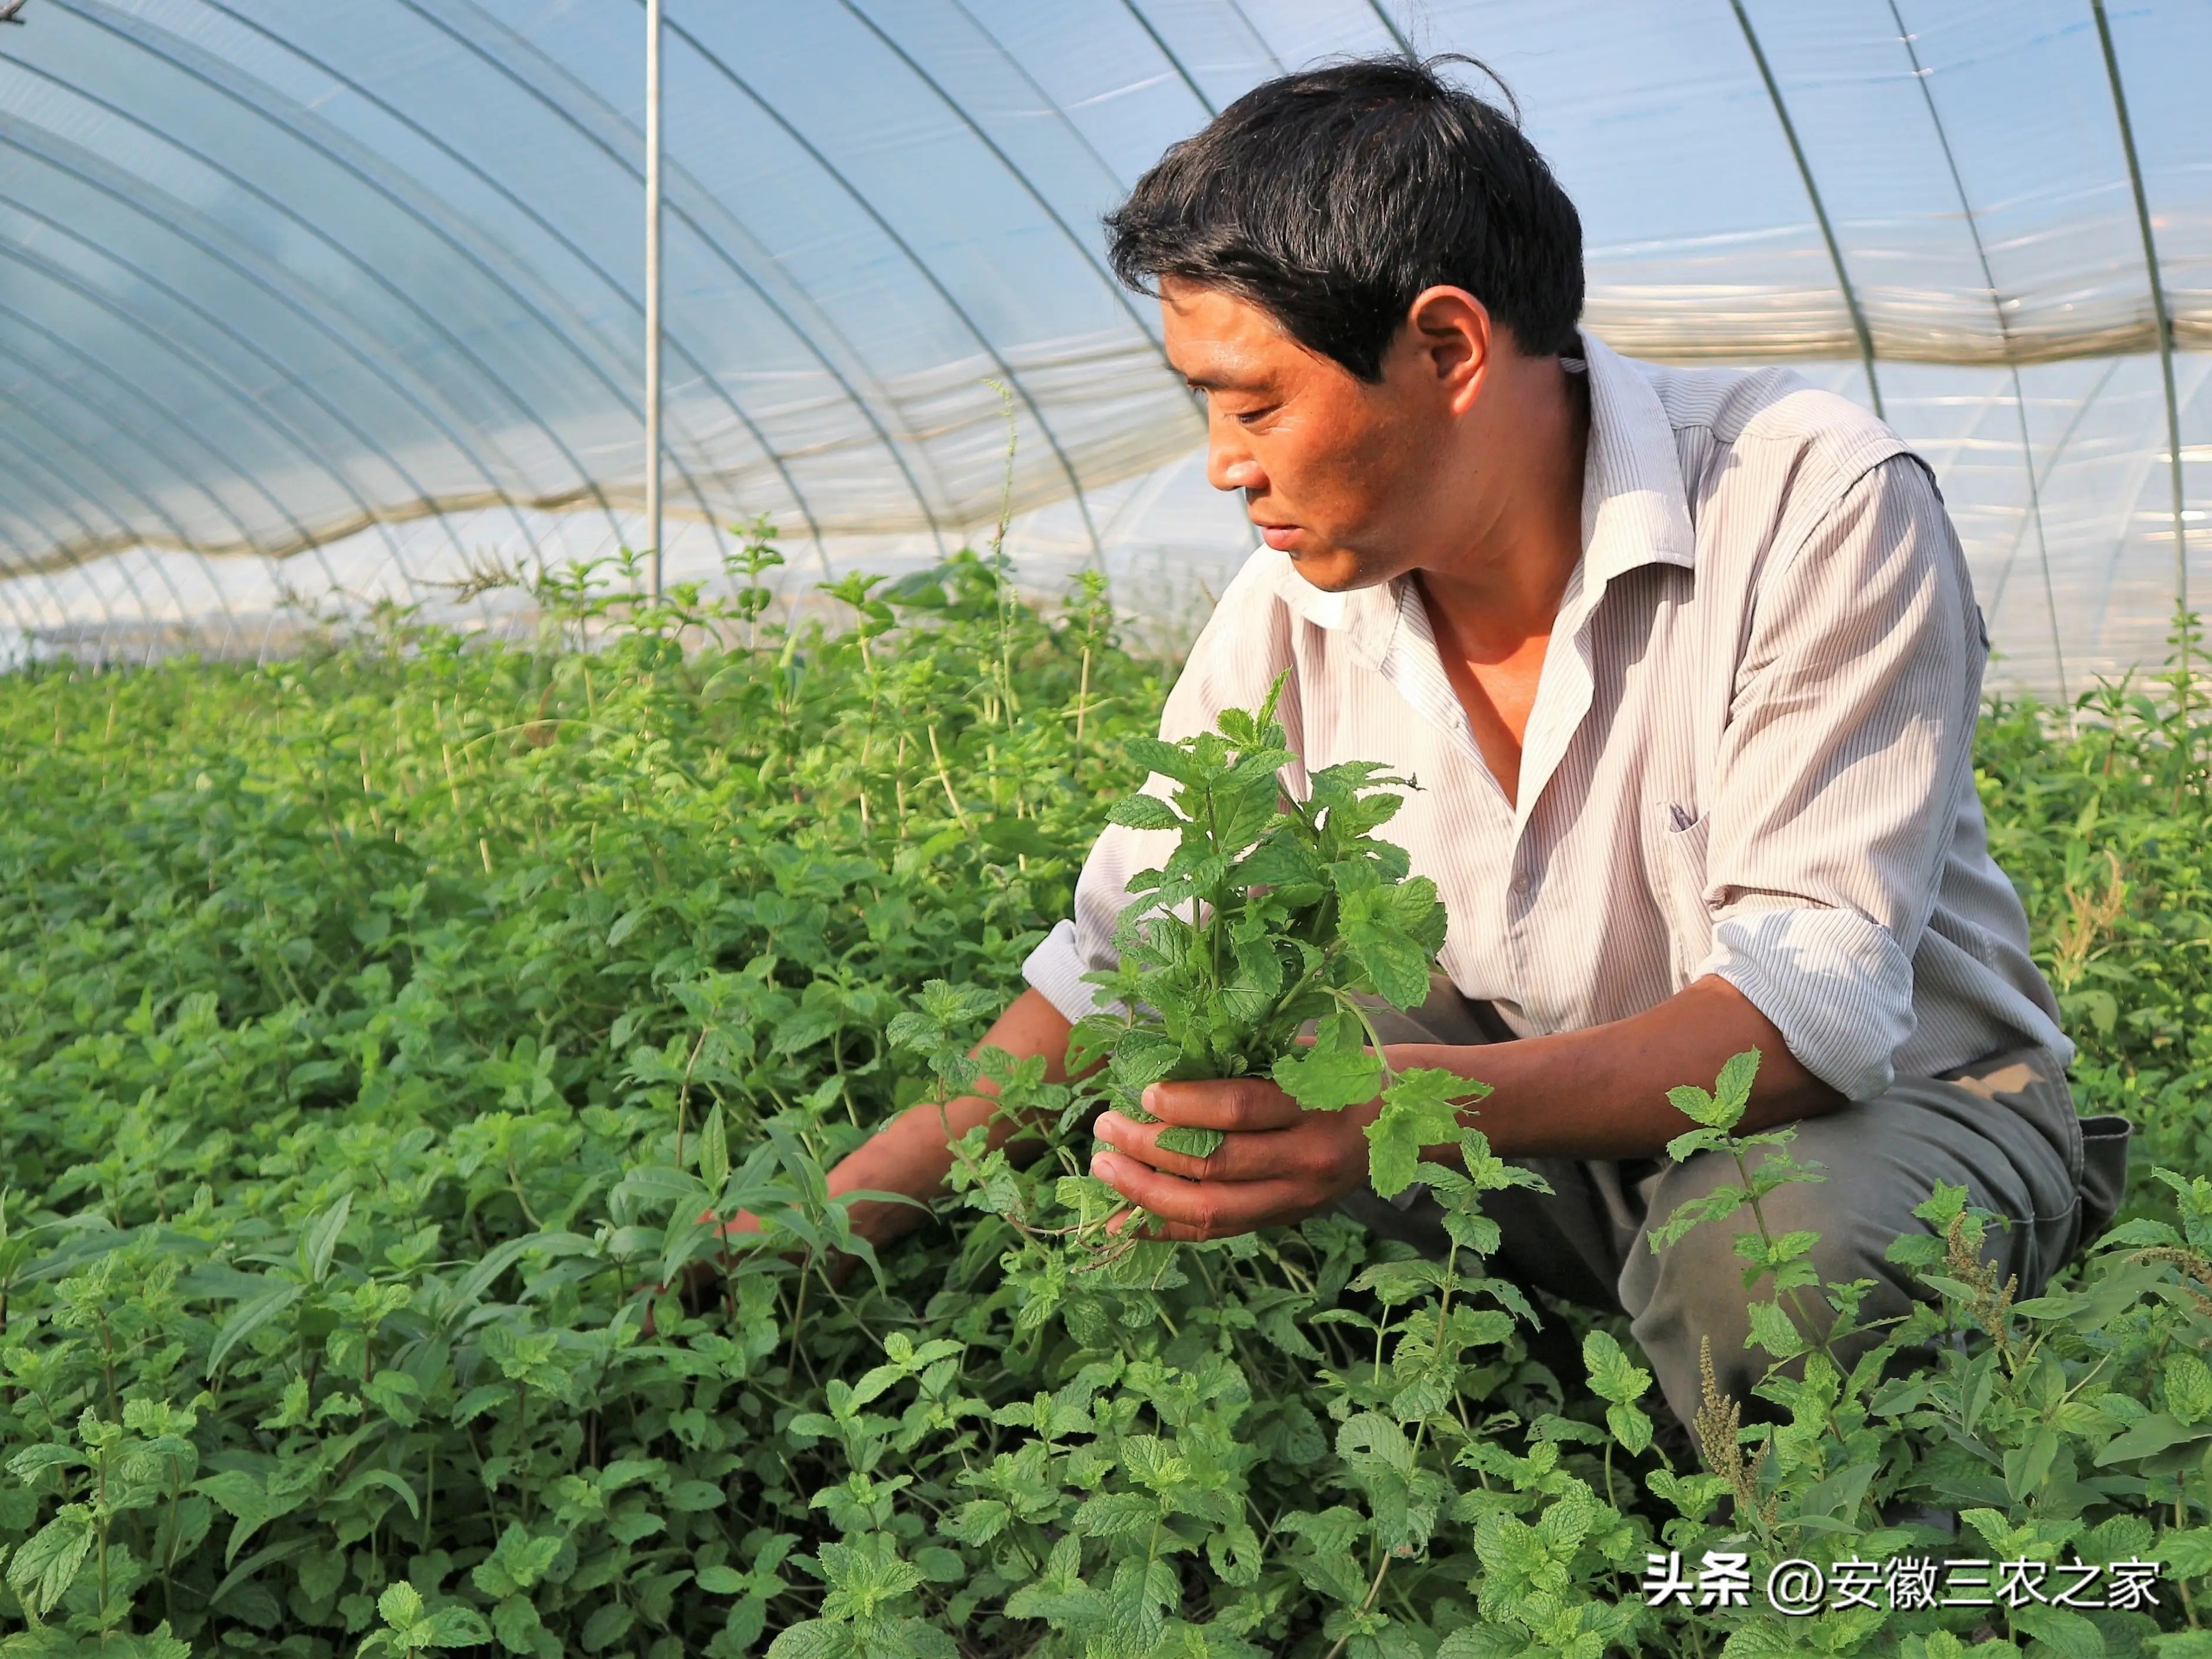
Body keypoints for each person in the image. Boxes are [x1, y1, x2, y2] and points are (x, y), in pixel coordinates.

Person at [715, 56, 2130, 1434]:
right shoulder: (1295, 604)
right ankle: (1522, 1414)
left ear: (1446, 347)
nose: (1222, 459)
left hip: (1876, 1111)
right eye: (1204, 402)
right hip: (1539, 1121)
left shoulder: (1807, 501)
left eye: (1255, 400)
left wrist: (1408, 1110)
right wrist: (845, 1209)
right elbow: (1124, 950)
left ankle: (1791, 1513)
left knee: (1768, 1267)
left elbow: (1808, 1019)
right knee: (1211, 1070)